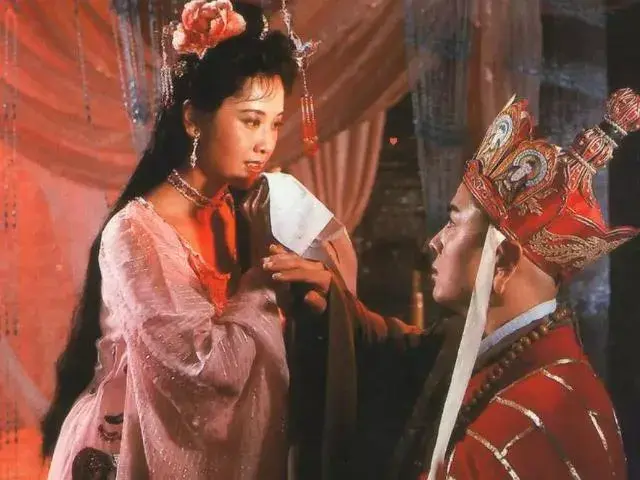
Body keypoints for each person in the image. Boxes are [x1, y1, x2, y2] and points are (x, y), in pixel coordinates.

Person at [261, 88, 640, 480]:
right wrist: (333, 301)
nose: (434, 242)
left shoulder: (534, 423)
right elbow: (402, 354)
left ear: (503, 263)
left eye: (454, 222)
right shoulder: (494, 349)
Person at [39, 2, 339, 478]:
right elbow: (202, 368)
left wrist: (315, 295)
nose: (265, 142)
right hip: (131, 445)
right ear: (193, 120)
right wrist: (263, 283)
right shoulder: (136, 233)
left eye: (275, 123)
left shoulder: (245, 210)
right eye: (251, 120)